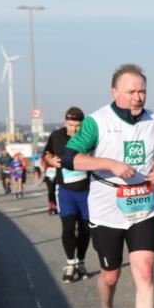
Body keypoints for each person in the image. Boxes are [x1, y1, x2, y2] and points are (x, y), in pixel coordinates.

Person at [62, 65, 154, 308]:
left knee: (144, 271)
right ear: (115, 93)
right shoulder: (97, 122)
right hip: (106, 209)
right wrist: (109, 164)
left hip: (143, 206)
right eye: (131, 92)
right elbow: (69, 156)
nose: (138, 97)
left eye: (142, 91)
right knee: (110, 275)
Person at [43, 107, 92, 282]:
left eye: (77, 126)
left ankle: (81, 262)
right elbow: (47, 153)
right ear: (65, 122)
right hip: (65, 190)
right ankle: (70, 264)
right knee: (69, 228)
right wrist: (50, 160)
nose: (74, 129)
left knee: (86, 230)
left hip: (86, 190)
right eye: (71, 125)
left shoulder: (88, 136)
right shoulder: (57, 136)